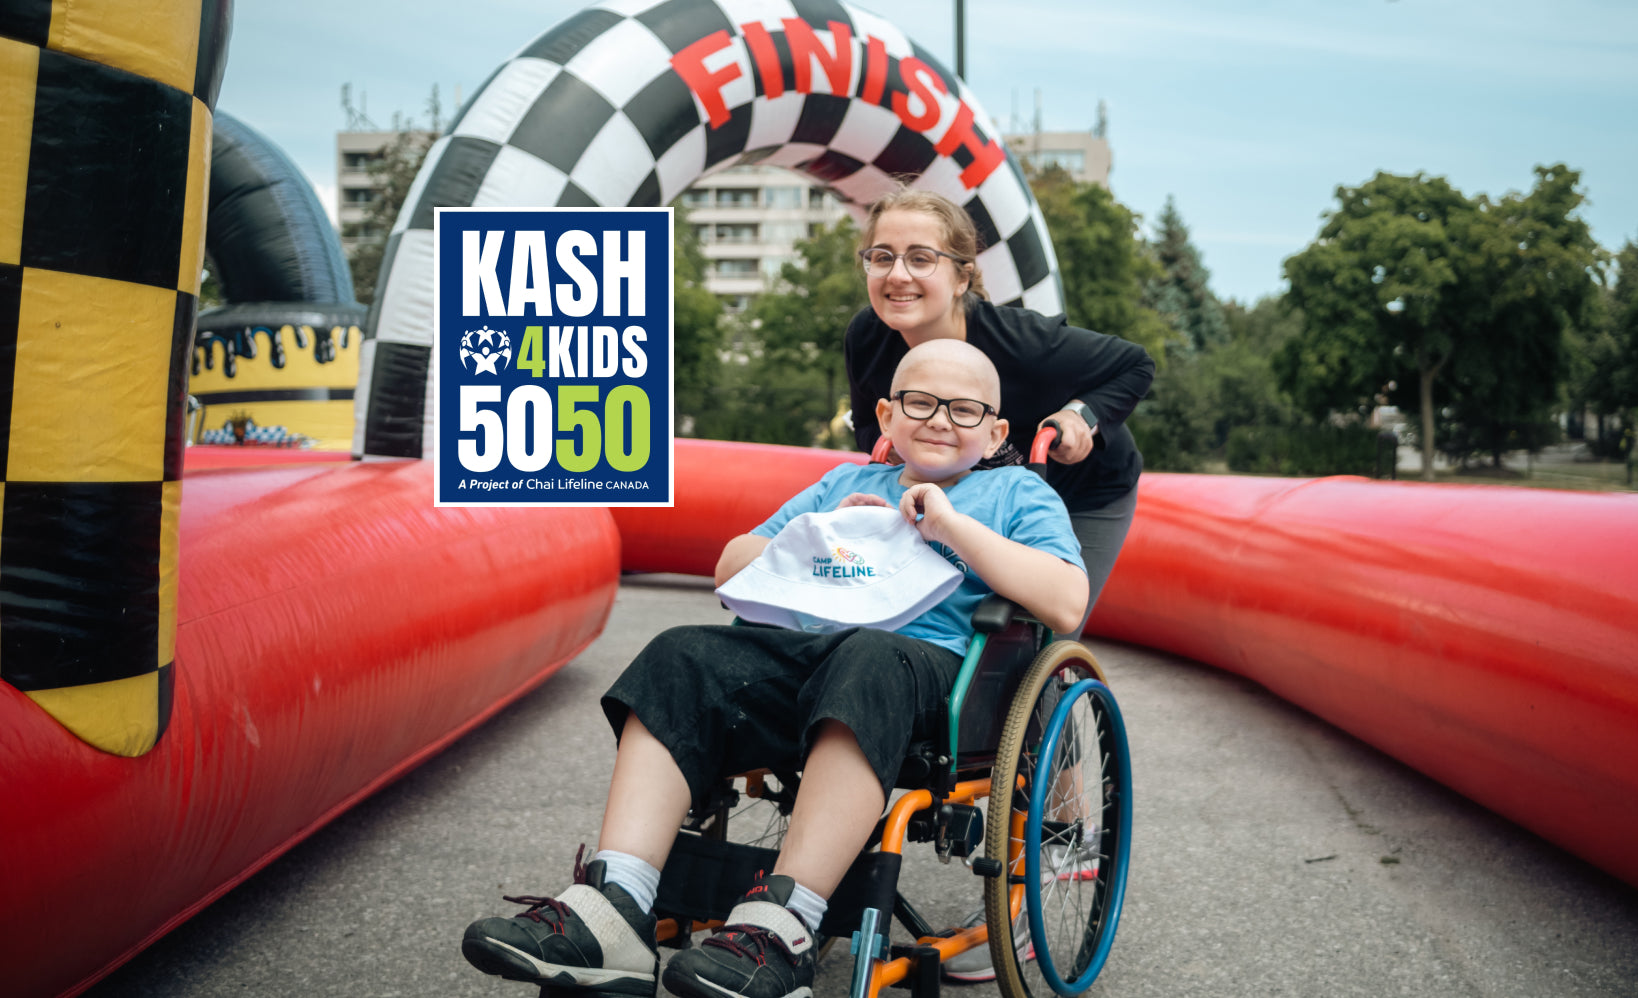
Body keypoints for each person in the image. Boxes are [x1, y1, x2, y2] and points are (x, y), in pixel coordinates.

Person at [460, 339, 1088, 998]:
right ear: (886, 414)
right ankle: (617, 904)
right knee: (680, 653)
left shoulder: (1014, 492)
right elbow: (730, 569)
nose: (939, 420)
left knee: (868, 656)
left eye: (963, 410)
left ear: (996, 433)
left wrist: (953, 528)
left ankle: (784, 927)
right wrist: (817, 532)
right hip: (812, 659)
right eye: (920, 402)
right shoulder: (844, 485)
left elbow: (1067, 601)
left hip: (935, 678)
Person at [845, 188, 1155, 644]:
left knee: (1037, 636)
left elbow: (1134, 364)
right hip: (969, 492)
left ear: (961, 278)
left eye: (921, 259)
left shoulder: (1022, 344)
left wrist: (1079, 416)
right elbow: (871, 428)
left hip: (1081, 490)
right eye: (882, 257)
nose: (897, 275)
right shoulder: (868, 337)